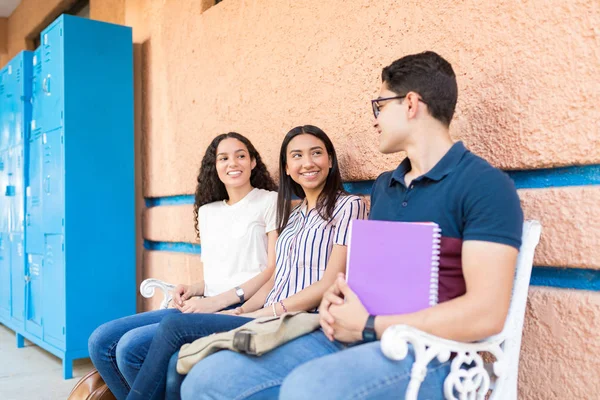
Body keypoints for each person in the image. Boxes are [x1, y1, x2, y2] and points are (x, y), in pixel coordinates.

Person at [180, 51, 524, 400]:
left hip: (429, 354)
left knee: (306, 389)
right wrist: (337, 298)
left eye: (380, 106)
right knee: (207, 379)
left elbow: (486, 313)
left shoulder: (484, 185)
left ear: (410, 104)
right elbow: (370, 276)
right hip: (358, 334)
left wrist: (372, 325)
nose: (374, 120)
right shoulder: (386, 186)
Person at [125, 125, 367, 400]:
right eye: (297, 156)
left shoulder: (349, 206)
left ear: (331, 160)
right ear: (287, 168)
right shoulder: (295, 215)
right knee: (173, 364)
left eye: (316, 153)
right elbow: (277, 276)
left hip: (296, 319)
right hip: (264, 312)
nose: (308, 163)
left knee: (173, 328)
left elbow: (329, 282)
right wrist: (240, 312)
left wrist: (262, 313)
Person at [88, 132, 278, 399]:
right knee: (101, 341)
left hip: (241, 306)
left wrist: (217, 303)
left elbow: (272, 269)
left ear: (253, 162)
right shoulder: (208, 211)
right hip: (204, 302)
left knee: (130, 349)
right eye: (223, 158)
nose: (232, 163)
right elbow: (220, 270)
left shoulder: (268, 201)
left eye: (241, 156)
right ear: (215, 166)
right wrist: (193, 288)